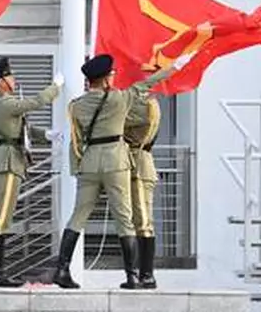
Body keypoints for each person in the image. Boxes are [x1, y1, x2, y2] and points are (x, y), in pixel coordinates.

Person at [51, 51, 192, 290]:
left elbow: (75, 141)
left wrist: (77, 167)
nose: (114, 78)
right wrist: (176, 65)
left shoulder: (76, 106)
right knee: (124, 218)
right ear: (106, 79)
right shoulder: (120, 99)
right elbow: (150, 82)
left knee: (78, 216)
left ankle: (62, 269)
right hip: (116, 161)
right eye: (112, 75)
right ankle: (132, 276)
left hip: (89, 161)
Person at [0, 56, 62, 287]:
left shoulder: (3, 104)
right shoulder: (3, 103)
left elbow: (20, 130)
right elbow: (34, 103)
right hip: (5, 164)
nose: (14, 80)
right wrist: (55, 88)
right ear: (1, 81)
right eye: (10, 76)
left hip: (3, 162)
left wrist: (46, 135)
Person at [124, 92, 162, 289]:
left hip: (139, 165)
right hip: (135, 163)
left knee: (143, 220)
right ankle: (141, 272)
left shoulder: (145, 105)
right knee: (135, 220)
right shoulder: (146, 103)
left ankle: (147, 274)